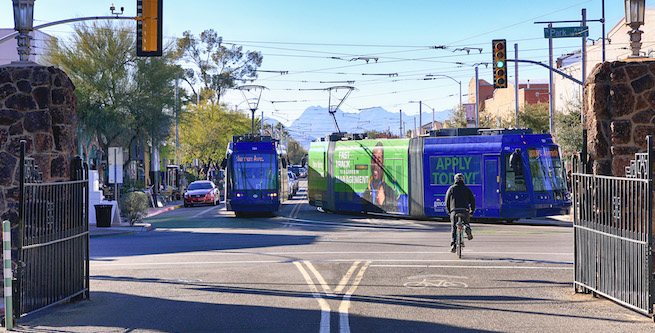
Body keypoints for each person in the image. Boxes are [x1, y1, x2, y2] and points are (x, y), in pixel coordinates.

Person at [362, 142, 398, 212]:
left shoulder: (390, 191)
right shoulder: (366, 192)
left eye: (378, 160)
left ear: (383, 165)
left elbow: (395, 212)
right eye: (373, 159)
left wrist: (383, 202)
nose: (375, 164)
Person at [445, 173, 476, 253]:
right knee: (466, 221)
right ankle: (467, 227)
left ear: (455, 180)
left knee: (454, 228)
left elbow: (447, 200)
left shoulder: (451, 189)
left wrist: (449, 210)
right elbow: (472, 200)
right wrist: (471, 211)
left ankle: (453, 245)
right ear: (463, 180)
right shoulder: (467, 189)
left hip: (454, 210)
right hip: (465, 210)